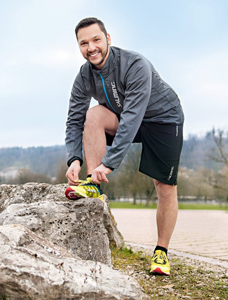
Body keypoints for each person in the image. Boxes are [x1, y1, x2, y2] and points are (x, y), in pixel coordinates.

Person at [64, 17, 184, 276]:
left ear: (108, 39)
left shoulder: (135, 64)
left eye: (96, 40)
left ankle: (161, 252)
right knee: (93, 115)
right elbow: (75, 119)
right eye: (84, 43)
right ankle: (92, 186)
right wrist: (74, 158)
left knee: (164, 187)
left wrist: (109, 164)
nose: (91, 47)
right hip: (126, 116)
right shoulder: (84, 76)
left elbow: (131, 119)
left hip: (163, 119)